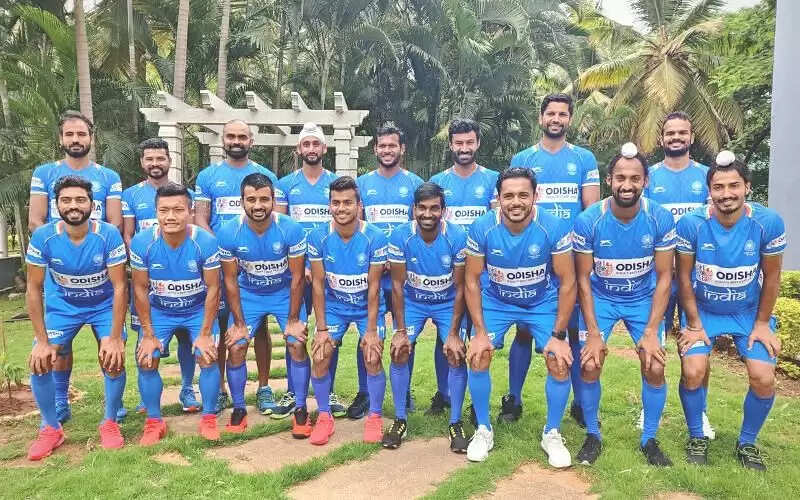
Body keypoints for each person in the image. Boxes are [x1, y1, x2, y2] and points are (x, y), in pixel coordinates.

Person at [676, 151, 785, 471]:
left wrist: (762, 324)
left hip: (748, 313)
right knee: (693, 371)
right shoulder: (692, 224)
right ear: (709, 190)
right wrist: (693, 323)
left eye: (734, 185)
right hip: (704, 312)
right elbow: (684, 277)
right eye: (719, 187)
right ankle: (696, 436)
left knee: (763, 377)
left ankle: (747, 442)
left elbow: (773, 277)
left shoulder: (768, 222)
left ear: (747, 187)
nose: (726, 194)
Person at [572, 143, 675, 467]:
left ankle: (649, 439)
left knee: (654, 365)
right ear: (609, 180)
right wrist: (593, 333)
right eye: (620, 178)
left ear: (646, 181)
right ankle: (592, 434)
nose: (627, 185)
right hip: (601, 297)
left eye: (634, 178)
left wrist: (651, 331)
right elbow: (583, 279)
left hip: (642, 298)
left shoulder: (660, 217)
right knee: (589, 364)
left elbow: (664, 277)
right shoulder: (589, 220)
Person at [464, 167, 576, 465]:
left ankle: (552, 433)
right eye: (509, 196)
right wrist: (479, 332)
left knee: (558, 360)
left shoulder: (554, 227)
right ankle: (483, 430)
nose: (516, 202)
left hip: (541, 302)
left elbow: (567, 282)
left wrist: (559, 336)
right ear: (498, 198)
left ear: (535, 196)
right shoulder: (482, 227)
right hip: (497, 301)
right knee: (479, 354)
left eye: (523, 195)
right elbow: (472, 280)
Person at [509, 94, 600, 427]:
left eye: (562, 114)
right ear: (541, 118)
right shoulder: (523, 158)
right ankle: (513, 399)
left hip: (569, 256)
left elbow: (591, 211)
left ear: (570, 119)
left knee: (570, 330)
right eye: (551, 113)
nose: (556, 119)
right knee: (523, 329)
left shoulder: (584, 158)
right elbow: (512, 206)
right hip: (531, 257)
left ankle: (579, 402)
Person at [28, 111, 124, 424]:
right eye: (69, 134)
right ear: (61, 138)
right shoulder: (44, 173)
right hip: (60, 275)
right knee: (59, 346)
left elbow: (115, 222)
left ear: (91, 138)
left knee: (108, 342)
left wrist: (94, 247)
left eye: (81, 134)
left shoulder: (108, 176)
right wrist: (61, 249)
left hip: (101, 271)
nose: (75, 139)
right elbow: (35, 221)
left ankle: (113, 406)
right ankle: (59, 402)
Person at [25, 176, 128, 460]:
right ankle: (51, 428)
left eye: (80, 200)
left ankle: (110, 422)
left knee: (113, 357)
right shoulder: (44, 236)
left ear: (92, 205)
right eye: (66, 200)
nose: (74, 205)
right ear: (56, 205)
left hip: (103, 305)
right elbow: (33, 288)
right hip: (63, 307)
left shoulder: (108, 234)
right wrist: (42, 341)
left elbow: (120, 286)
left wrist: (115, 338)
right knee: (40, 360)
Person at [194, 119, 279, 415]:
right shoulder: (208, 176)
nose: (236, 141)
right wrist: (219, 253)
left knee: (260, 327)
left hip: (254, 265)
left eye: (242, 136)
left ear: (251, 141)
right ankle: (220, 390)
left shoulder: (267, 175)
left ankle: (264, 387)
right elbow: (201, 218)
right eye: (231, 136)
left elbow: (274, 220)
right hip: (219, 263)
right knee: (222, 328)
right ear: (223, 139)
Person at [130, 183, 222, 444]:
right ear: (156, 212)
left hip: (196, 310)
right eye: (164, 210)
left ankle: (208, 418)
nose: (170, 216)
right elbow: (139, 288)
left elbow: (214, 288)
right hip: (160, 310)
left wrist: (205, 333)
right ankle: (154, 421)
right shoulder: (142, 242)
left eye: (178, 210)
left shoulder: (205, 242)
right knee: (146, 358)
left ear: (190, 211)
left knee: (207, 355)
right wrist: (148, 334)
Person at [217, 173, 307, 434]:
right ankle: (239, 409)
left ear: (274, 200)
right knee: (236, 345)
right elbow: (230, 280)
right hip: (250, 294)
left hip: (283, 292)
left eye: (264, 199)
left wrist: (293, 320)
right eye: (252, 199)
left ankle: (301, 410)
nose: (258, 205)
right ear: (242, 201)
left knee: (296, 342)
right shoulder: (228, 232)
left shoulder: (291, 228)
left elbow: (297, 277)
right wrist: (239, 324)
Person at [644, 111, 715, 439]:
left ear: (691, 137)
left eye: (681, 133)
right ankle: (649, 408)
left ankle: (701, 411)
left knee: (697, 345)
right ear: (662, 138)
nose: (675, 138)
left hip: (694, 278)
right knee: (652, 342)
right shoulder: (649, 177)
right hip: (657, 276)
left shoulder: (706, 176)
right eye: (670, 133)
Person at [385, 182, 469, 452]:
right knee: (399, 350)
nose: (427, 214)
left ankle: (455, 422)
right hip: (414, 302)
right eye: (422, 208)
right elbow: (397, 285)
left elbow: (461, 287)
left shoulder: (457, 236)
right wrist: (400, 331)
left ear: (444, 210)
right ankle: (400, 419)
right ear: (414, 209)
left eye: (434, 208)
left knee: (456, 352)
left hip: (447, 303)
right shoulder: (401, 236)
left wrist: (453, 334)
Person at [306, 177, 388, 445]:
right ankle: (324, 416)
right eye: (336, 202)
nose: (341, 208)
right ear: (329, 205)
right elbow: (318, 285)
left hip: (366, 308)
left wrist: (372, 331)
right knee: (320, 355)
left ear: (359, 205)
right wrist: (321, 329)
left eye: (347, 202)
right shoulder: (317, 236)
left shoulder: (375, 237)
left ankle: (375, 417)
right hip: (335, 307)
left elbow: (374, 287)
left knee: (372, 355)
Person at [122, 138, 200, 414]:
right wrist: (143, 262)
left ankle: (187, 388)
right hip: (149, 276)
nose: (155, 163)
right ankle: (147, 398)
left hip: (183, 277)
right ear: (142, 162)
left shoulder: (185, 194)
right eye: (149, 159)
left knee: (187, 339)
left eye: (160, 158)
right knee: (145, 339)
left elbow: (192, 233)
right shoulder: (131, 195)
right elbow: (128, 234)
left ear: (169, 160)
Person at [273, 123, 344, 418]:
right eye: (307, 144)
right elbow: (280, 226)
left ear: (324, 148)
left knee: (330, 331)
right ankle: (294, 391)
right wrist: (299, 266)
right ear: (299, 149)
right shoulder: (285, 184)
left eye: (316, 144)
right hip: (298, 271)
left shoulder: (337, 182)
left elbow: (345, 224)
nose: (311, 149)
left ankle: (329, 390)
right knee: (297, 332)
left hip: (331, 269)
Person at [428, 118, 497, 417]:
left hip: (483, 275)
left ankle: (475, 400)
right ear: (451, 145)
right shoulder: (437, 181)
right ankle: (443, 393)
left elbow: (497, 225)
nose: (464, 147)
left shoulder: (493, 179)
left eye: (469, 142)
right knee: (447, 333)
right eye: (459, 142)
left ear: (478, 143)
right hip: (449, 273)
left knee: (479, 335)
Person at [354, 125, 423, 419]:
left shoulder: (415, 183)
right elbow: (357, 226)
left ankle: (403, 392)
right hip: (370, 272)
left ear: (402, 149)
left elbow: (419, 227)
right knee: (367, 331)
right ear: (375, 149)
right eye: (382, 146)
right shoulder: (361, 184)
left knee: (404, 333)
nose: (386, 150)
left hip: (401, 275)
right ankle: (365, 393)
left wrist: (397, 260)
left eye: (392, 145)